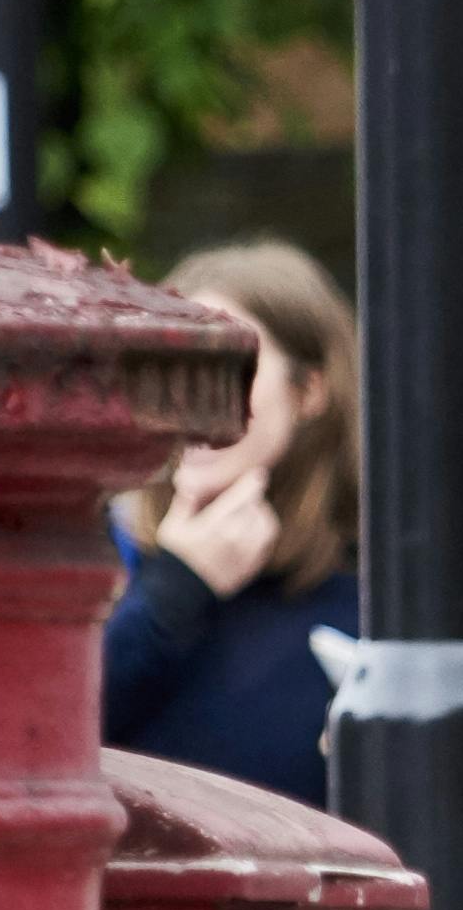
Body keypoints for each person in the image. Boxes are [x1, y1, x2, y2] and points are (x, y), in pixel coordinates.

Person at [98, 238, 362, 810]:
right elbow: (36, 750)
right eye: (171, 369)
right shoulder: (101, 562)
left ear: (309, 391)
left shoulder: (378, 594)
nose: (192, 400)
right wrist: (175, 590)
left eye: (227, 369)